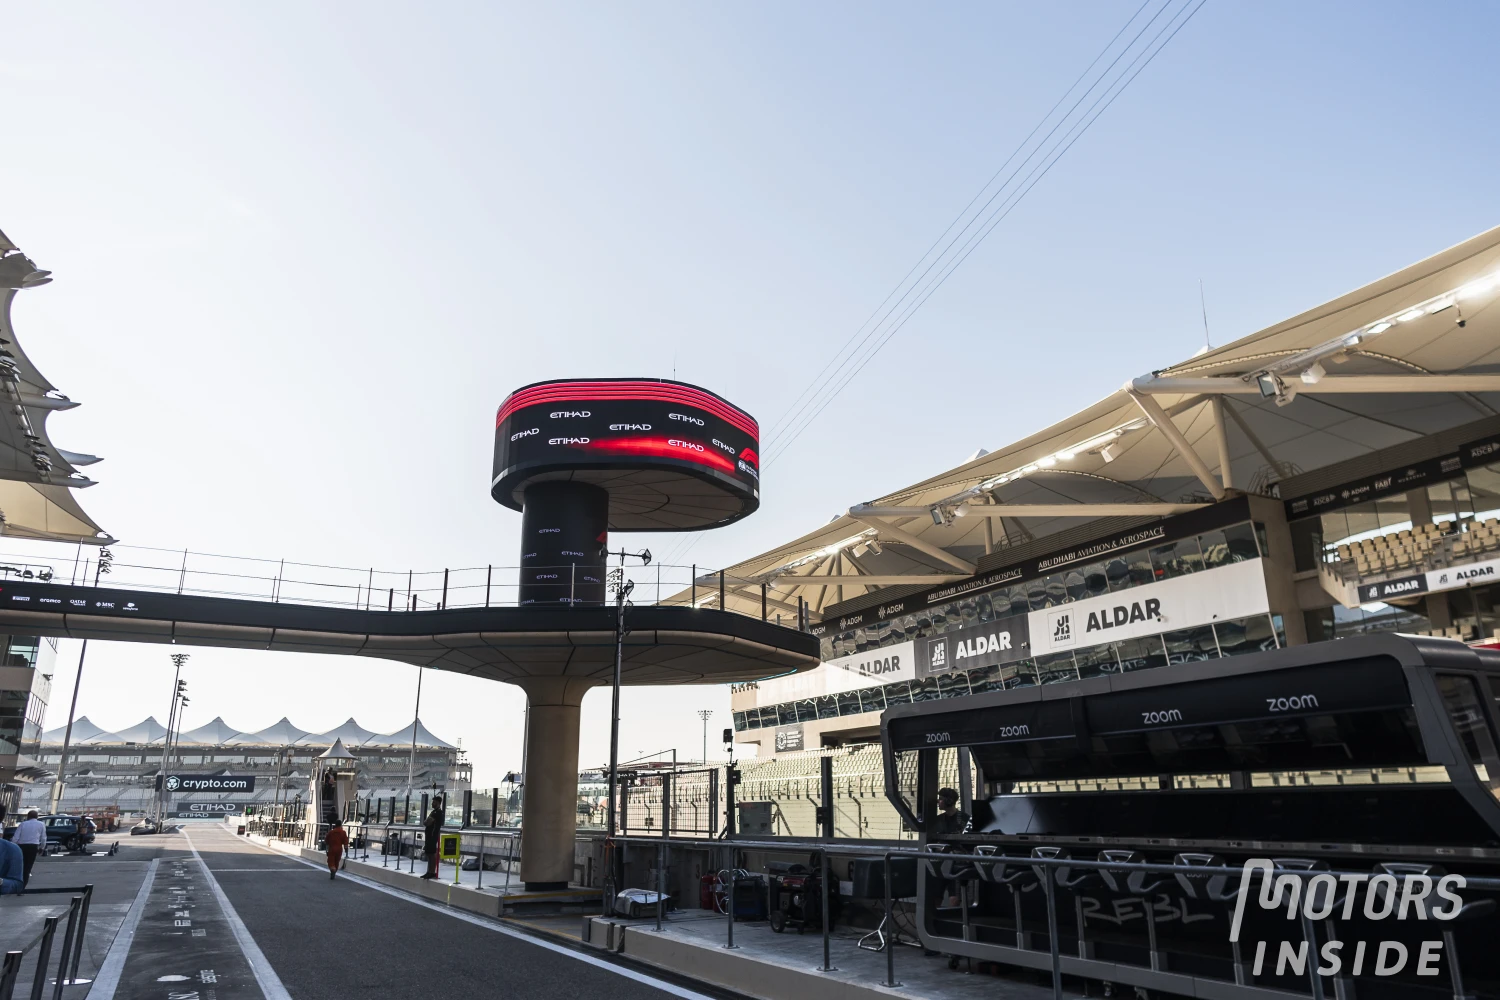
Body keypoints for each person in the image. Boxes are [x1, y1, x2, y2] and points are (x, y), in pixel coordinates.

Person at [13, 810, 46, 887]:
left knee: (20, 865)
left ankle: (17, 882)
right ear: (37, 817)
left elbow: (16, 837)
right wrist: (42, 847)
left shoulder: (23, 824)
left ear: (28, 816)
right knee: (28, 866)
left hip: (21, 846)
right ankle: (23, 886)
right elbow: (43, 838)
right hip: (33, 846)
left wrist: (13, 846)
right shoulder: (41, 824)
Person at [420, 797, 444, 880]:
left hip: (433, 835)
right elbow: (426, 822)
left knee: (432, 854)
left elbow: (426, 822)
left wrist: (427, 821)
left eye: (434, 802)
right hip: (429, 835)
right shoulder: (433, 812)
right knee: (429, 853)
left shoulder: (438, 812)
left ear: (438, 803)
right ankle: (429, 871)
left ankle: (432, 872)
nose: (432, 804)